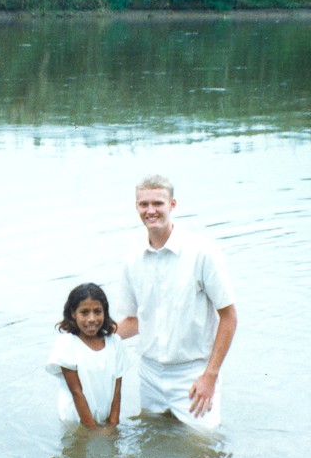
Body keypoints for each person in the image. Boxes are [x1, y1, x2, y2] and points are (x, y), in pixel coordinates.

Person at [116, 174, 237, 430]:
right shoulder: (132, 260)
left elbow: (229, 316)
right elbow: (134, 321)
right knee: (153, 444)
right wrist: (89, 340)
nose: (151, 211)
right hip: (149, 373)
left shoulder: (202, 252)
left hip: (193, 374)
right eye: (144, 204)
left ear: (172, 205)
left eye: (158, 203)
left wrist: (210, 376)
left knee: (204, 449)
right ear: (136, 207)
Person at [46, 283, 127, 431]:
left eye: (97, 311)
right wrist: (92, 430)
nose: (92, 319)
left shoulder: (115, 342)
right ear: (72, 314)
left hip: (105, 418)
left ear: (105, 312)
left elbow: (117, 389)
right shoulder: (67, 344)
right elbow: (76, 392)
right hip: (76, 420)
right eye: (84, 312)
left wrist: (113, 424)